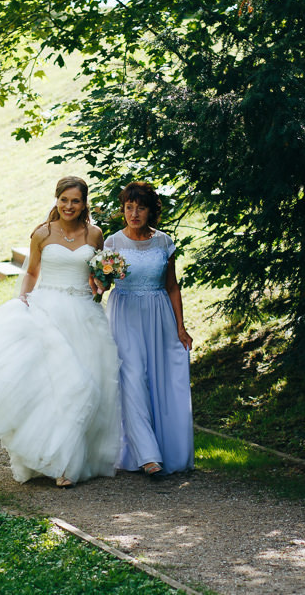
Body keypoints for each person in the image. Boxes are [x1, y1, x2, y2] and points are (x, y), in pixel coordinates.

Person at [0, 176, 121, 488]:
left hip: (84, 314)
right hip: (47, 311)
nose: (68, 206)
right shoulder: (42, 233)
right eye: (63, 200)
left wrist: (103, 284)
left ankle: (72, 460)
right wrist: (23, 299)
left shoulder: (95, 234)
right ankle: (48, 459)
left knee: (88, 387)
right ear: (56, 200)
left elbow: (95, 277)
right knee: (55, 388)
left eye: (75, 201)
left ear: (84, 203)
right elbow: (33, 271)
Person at [101, 181, 194, 476]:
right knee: (132, 377)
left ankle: (166, 448)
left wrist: (181, 327)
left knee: (161, 379)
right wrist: (98, 278)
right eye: (129, 207)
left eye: (140, 207)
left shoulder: (164, 242)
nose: (134, 213)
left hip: (159, 315)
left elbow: (172, 286)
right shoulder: (112, 244)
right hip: (125, 313)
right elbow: (102, 286)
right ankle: (147, 455)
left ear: (151, 210)